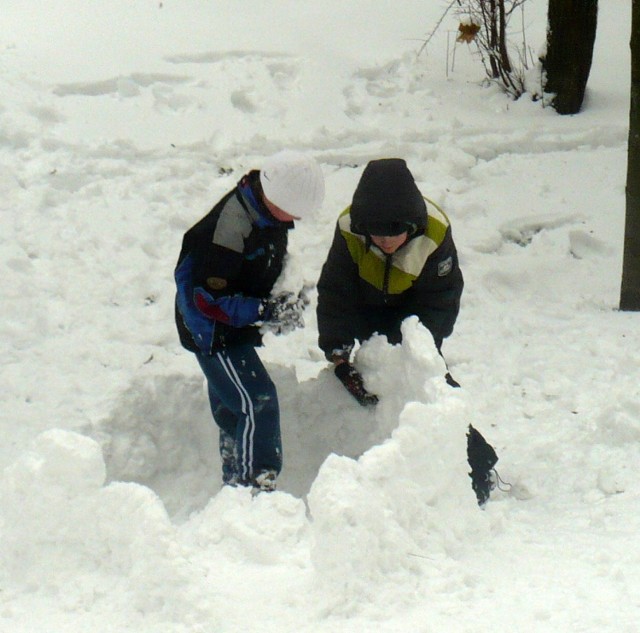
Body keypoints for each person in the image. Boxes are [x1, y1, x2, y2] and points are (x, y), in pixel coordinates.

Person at [174, 150, 324, 491]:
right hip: (213, 331)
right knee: (258, 402)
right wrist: (263, 312)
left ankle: (236, 481)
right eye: (296, 210)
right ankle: (256, 486)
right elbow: (207, 301)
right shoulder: (229, 229)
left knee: (233, 408)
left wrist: (286, 290)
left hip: (232, 322)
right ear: (278, 198)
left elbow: (263, 260)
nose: (298, 218)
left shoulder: (268, 211)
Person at [316, 158, 463, 406]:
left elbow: (441, 299)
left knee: (437, 399)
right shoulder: (349, 228)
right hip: (367, 315)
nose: (385, 242)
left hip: (413, 320)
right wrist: (339, 356)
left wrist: (416, 351)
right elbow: (336, 291)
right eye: (377, 235)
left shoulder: (435, 231)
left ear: (411, 225)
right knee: (369, 399)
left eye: (393, 234)